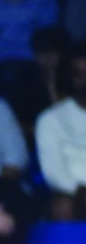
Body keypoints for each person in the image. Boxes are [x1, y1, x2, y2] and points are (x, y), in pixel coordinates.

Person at [35, 41, 86, 221]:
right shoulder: (50, 119)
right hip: (76, 196)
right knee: (62, 207)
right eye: (79, 74)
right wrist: (79, 190)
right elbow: (54, 173)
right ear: (70, 78)